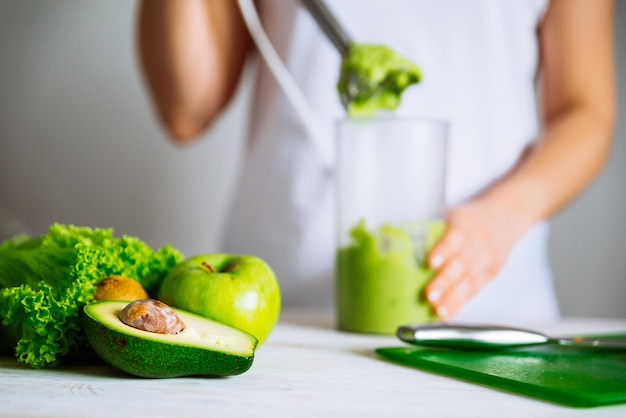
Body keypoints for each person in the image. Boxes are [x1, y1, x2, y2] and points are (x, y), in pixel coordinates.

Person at [137, 0, 615, 321]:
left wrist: (501, 218)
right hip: (274, 312)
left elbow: (585, 111)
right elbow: (186, 109)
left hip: (490, 313)